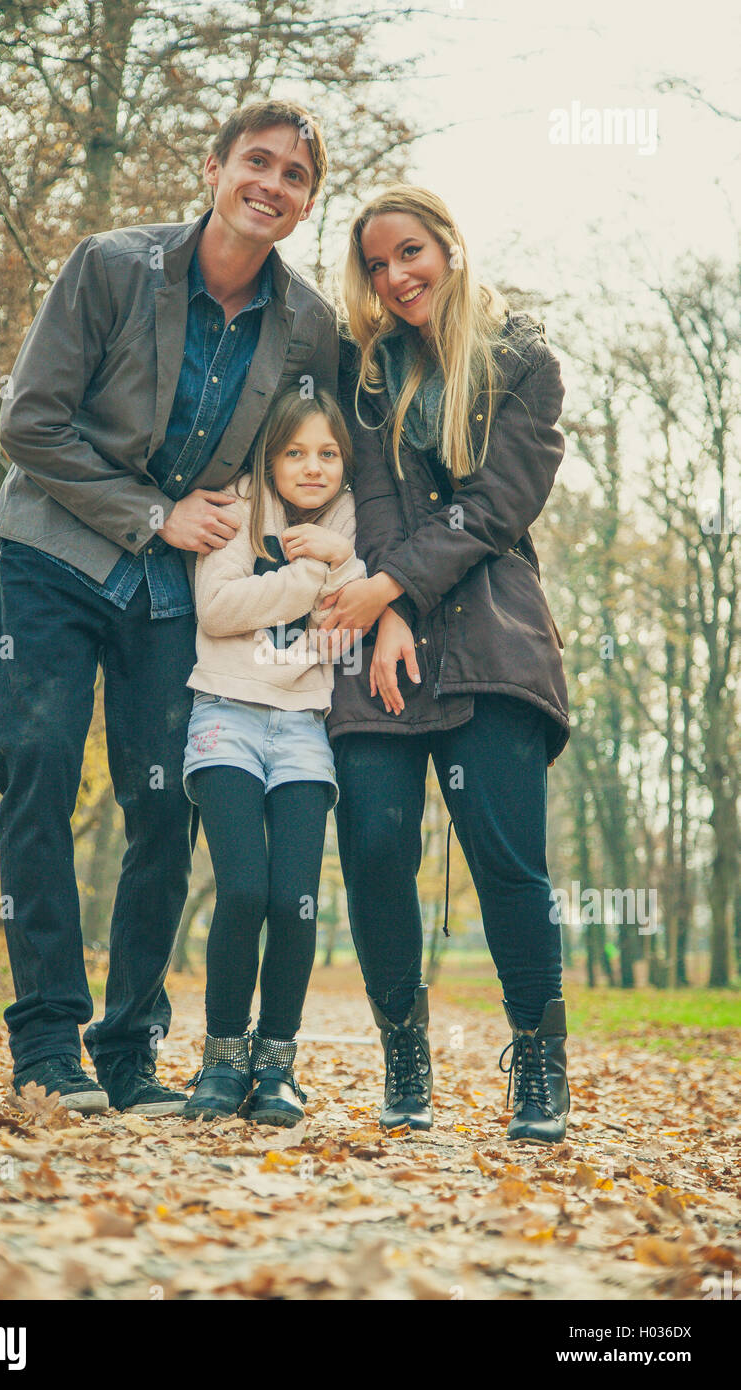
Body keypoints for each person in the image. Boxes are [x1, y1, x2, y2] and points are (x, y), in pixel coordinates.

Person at [0, 100, 337, 1116]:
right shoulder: (110, 266)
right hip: (55, 554)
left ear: (305, 202)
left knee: (162, 805)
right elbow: (30, 423)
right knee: (37, 776)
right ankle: (47, 1040)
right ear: (214, 164)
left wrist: (344, 558)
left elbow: (315, 453)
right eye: (256, 161)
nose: (270, 184)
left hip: (174, 590)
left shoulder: (307, 323)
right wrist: (152, 511)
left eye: (294, 176)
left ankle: (130, 1046)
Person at [320, 185, 571, 1142]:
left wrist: (395, 596)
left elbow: (499, 506)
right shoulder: (371, 374)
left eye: (411, 253)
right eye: (377, 266)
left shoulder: (523, 363)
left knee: (507, 862)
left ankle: (539, 1069)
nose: (395, 278)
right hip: (381, 642)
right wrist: (386, 608)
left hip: (491, 631)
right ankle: (404, 1057)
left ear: (452, 249)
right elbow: (377, 496)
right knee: (376, 847)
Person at [182, 387, 365, 1127]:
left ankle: (278, 1063)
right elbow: (215, 609)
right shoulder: (236, 507)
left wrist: (342, 563)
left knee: (295, 900)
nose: (312, 467)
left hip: (301, 729)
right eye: (295, 452)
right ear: (271, 456)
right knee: (244, 892)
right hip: (224, 713)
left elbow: (341, 632)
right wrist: (312, 576)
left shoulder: (349, 522)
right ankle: (222, 1058)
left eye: (327, 453)